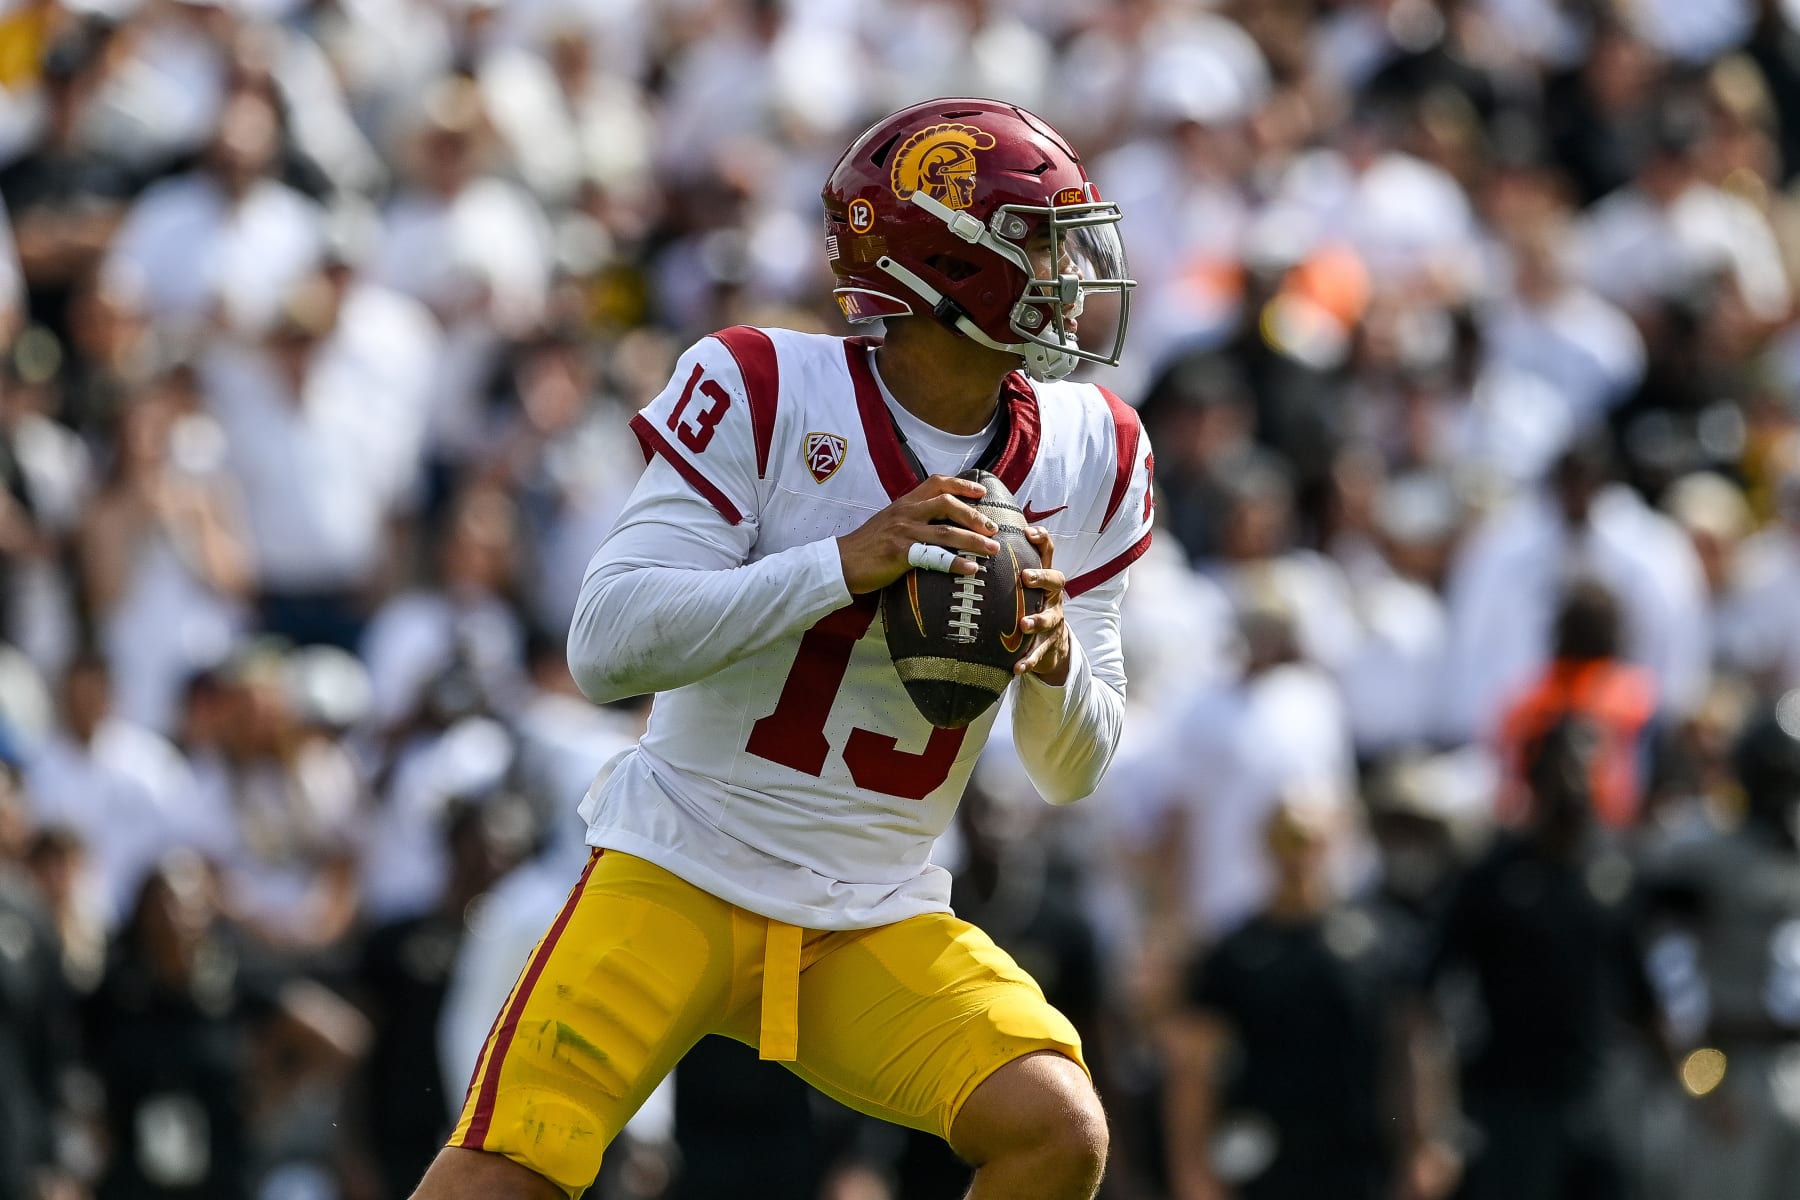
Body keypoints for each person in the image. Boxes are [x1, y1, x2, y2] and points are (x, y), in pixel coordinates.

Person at [410, 96, 1153, 1200]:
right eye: (1039, 242)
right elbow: (603, 647)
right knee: (503, 1175)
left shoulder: (1094, 446)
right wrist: (843, 565)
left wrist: (1051, 668)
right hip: (682, 866)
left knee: (1057, 1129)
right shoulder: (765, 384)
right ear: (947, 267)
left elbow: (1071, 769)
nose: (1070, 272)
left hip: (871, 907)